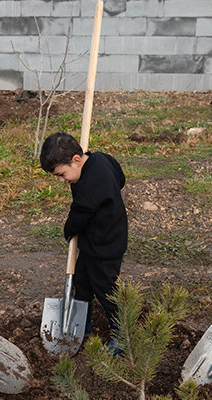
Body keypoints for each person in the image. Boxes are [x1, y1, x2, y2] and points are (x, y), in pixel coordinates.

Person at [39, 132, 128, 351]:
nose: (61, 181)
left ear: (76, 160)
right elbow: (121, 177)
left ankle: (121, 333)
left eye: (62, 174)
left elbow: (79, 214)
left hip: (106, 245)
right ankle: (81, 324)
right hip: (93, 242)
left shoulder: (90, 185)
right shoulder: (101, 159)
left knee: (104, 287)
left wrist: (68, 231)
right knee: (82, 282)